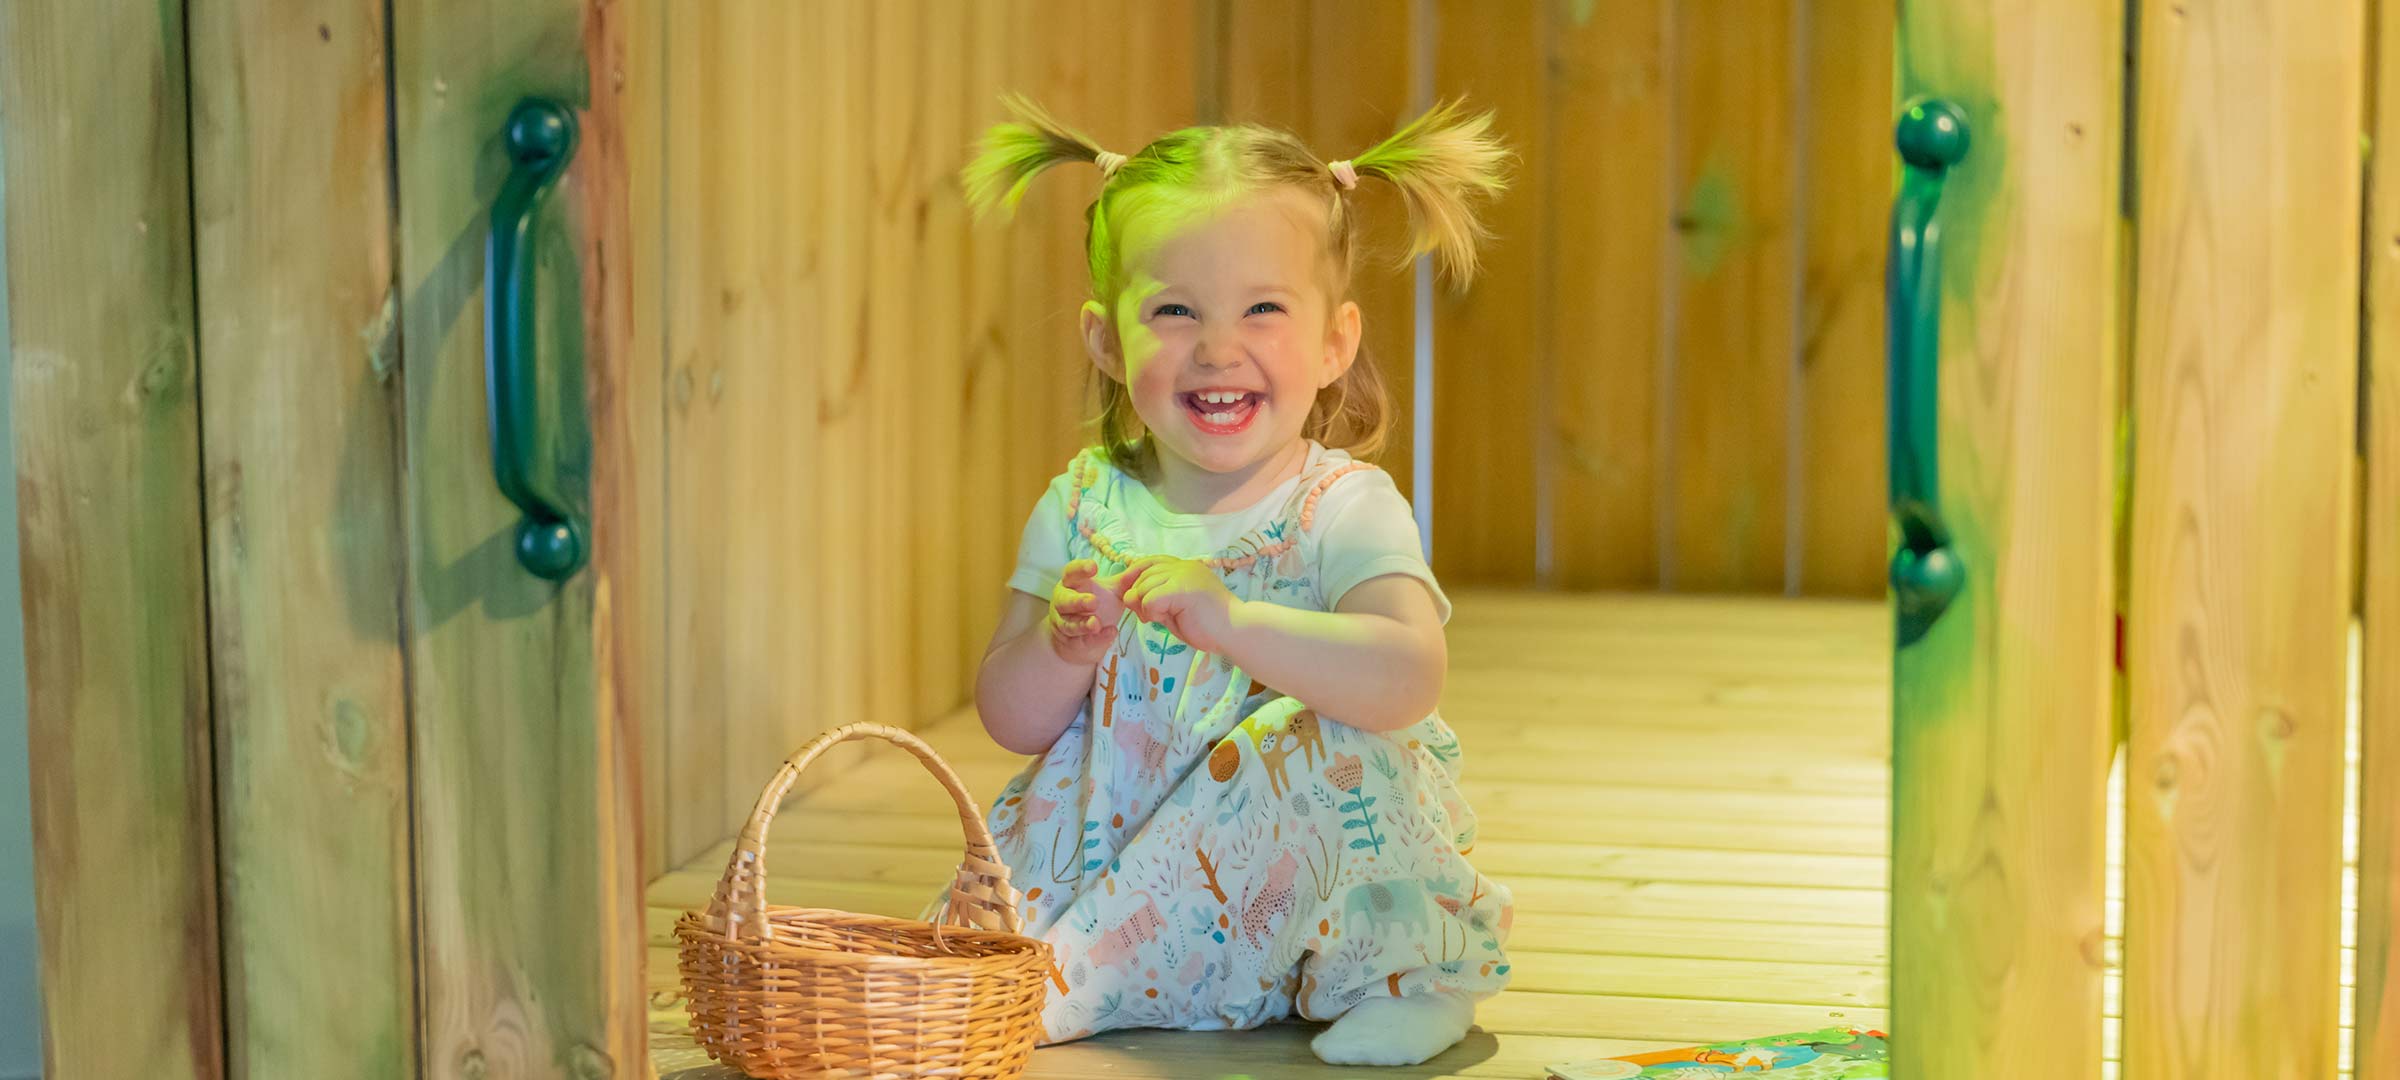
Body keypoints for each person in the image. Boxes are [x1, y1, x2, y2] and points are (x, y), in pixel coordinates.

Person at [956, 93, 1515, 1067]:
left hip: (1304, 883)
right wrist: (1059, 647)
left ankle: (1407, 982)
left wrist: (1238, 624)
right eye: (1174, 311)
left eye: (1263, 308)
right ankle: (1096, 969)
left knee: (1325, 736)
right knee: (986, 908)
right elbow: (1010, 717)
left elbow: (1409, 675)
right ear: (1105, 341)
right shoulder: (1084, 509)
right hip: (1139, 881)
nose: (1218, 347)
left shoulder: (1342, 507)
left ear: (1334, 342)